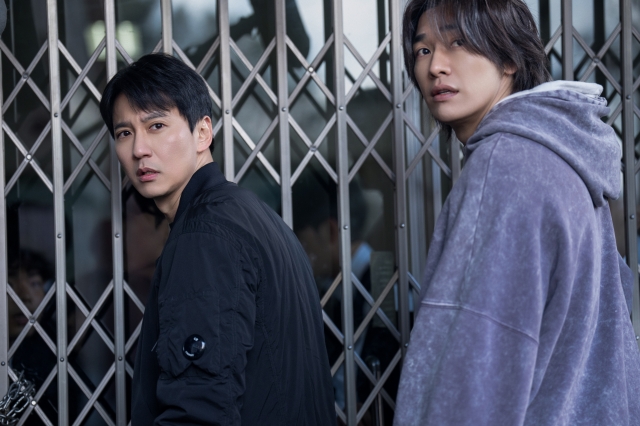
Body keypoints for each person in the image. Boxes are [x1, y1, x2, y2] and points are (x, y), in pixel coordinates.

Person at [395, 1, 640, 425]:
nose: (436, 67)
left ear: (509, 58)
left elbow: (477, 365)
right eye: (424, 50)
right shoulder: (561, 155)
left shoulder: (503, 166)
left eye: (458, 42)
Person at [99, 53, 336, 425]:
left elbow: (199, 410)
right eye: (124, 133)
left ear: (202, 132)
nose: (138, 149)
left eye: (156, 125)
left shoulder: (205, 235)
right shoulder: (252, 215)